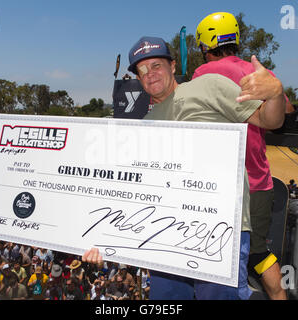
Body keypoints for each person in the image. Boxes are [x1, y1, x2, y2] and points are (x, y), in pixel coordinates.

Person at [84, 32, 286, 300]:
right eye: (142, 70)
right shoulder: (144, 126)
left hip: (221, 231)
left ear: (173, 67)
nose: (150, 74)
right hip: (164, 237)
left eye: (156, 65)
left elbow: (270, 121)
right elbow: (128, 190)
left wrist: (275, 95)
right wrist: (102, 242)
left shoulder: (209, 86)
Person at [193, 12, 298, 300]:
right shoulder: (261, 73)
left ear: (204, 45)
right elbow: (289, 116)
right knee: (258, 252)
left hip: (223, 184)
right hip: (260, 181)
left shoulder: (203, 74)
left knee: (221, 254)